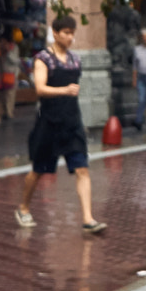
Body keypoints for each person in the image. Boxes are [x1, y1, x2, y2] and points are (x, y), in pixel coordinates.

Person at [17, 15, 105, 234]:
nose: (70, 37)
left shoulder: (75, 60)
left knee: (82, 169)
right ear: (55, 33)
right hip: (49, 123)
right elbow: (40, 88)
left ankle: (88, 218)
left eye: (72, 33)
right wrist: (64, 90)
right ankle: (23, 207)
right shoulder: (43, 59)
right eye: (66, 33)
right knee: (38, 171)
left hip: (72, 122)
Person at [0, 30, 22, 122]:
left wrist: (8, 52)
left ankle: (9, 113)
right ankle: (3, 112)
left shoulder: (14, 47)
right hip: (3, 73)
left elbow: (15, 60)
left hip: (12, 74)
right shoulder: (1, 48)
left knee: (10, 94)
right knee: (3, 94)